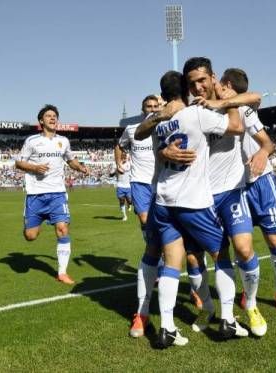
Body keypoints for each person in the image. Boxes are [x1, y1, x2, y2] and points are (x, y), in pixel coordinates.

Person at [135, 69, 247, 348]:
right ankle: (228, 320)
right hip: (192, 201)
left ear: (163, 94)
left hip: (162, 201)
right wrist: (227, 102)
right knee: (221, 253)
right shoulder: (195, 114)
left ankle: (167, 328)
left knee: (173, 261)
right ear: (186, 88)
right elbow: (236, 128)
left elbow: (144, 135)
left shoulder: (160, 123)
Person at [175, 60, 267, 337]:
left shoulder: (232, 101)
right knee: (193, 259)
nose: (198, 87)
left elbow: (256, 97)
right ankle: (209, 308)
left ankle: (250, 305)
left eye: (202, 80)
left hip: (230, 191)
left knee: (244, 249)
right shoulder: (191, 111)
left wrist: (262, 152)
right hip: (198, 196)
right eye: (192, 84)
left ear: (213, 78)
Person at [220, 67, 276, 314]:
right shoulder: (216, 110)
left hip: (261, 182)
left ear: (227, 84)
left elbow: (256, 97)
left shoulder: (245, 107)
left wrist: (263, 152)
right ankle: (247, 288)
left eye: (221, 84)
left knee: (273, 239)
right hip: (236, 186)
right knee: (241, 244)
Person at [15, 104, 89, 285]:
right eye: (48, 116)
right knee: (31, 236)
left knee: (63, 229)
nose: (53, 118)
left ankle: (62, 272)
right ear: (41, 121)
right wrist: (34, 167)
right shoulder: (32, 141)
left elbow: (70, 160)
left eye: (55, 115)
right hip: (35, 195)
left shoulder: (63, 141)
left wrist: (79, 167)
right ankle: (33, 222)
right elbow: (18, 163)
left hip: (57, 194)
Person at [114, 95, 161, 338]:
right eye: (148, 107)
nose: (152, 110)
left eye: (156, 106)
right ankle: (157, 261)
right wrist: (120, 163)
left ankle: (161, 264)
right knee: (145, 220)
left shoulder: (164, 126)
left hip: (162, 182)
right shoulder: (132, 129)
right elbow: (119, 146)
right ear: (142, 109)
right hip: (140, 183)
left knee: (165, 230)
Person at [114, 153, 132, 221]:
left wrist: (119, 165)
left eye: (125, 157)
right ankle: (124, 216)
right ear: (121, 157)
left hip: (128, 186)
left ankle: (129, 204)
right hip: (120, 185)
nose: (124, 159)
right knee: (121, 200)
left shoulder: (129, 164)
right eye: (123, 157)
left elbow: (122, 172)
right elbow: (114, 172)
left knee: (130, 200)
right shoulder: (118, 164)